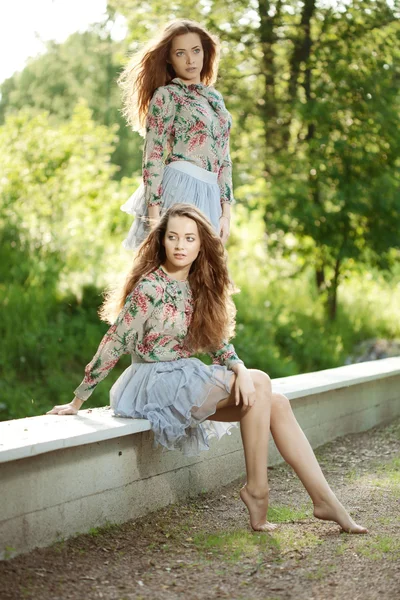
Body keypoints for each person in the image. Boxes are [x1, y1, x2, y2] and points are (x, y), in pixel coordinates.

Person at [47, 205, 367, 535]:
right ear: (162, 241)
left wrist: (238, 366)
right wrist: (78, 399)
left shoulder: (200, 287)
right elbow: (114, 341)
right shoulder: (149, 289)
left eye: (189, 238)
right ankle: (257, 491)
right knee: (261, 382)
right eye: (173, 237)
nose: (180, 245)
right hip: (152, 381)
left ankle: (325, 500)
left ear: (201, 245)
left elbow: (217, 344)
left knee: (275, 402)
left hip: (184, 377)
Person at [118, 19, 234, 249]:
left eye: (196, 51)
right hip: (180, 187)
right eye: (181, 53)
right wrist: (154, 219)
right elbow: (153, 156)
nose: (190, 60)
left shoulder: (215, 99)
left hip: (210, 194)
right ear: (169, 58)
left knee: (204, 277)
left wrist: (226, 214)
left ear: (205, 53)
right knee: (172, 272)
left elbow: (225, 159)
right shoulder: (167, 95)